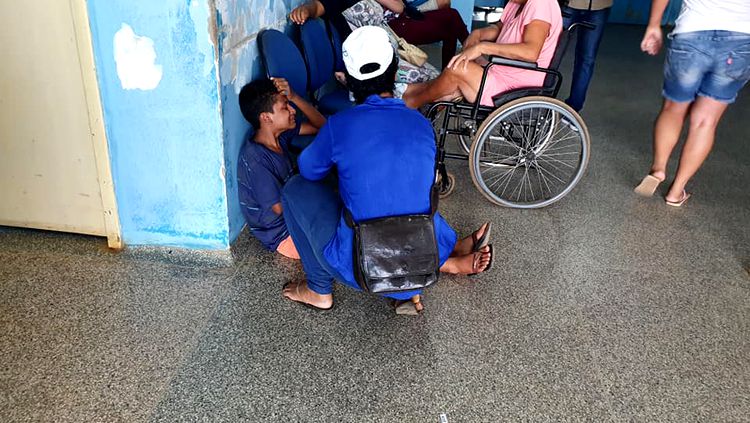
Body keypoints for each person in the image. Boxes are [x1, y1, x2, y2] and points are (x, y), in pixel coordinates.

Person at [279, 26, 493, 315]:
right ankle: (435, 263)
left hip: (361, 266)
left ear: (349, 80)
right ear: (395, 73)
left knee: (294, 188)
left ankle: (318, 290)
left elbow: (309, 171)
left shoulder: (339, 125)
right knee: (406, 186)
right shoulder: (420, 124)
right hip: (421, 260)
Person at [634, 0, 750, 206]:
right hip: (741, 39)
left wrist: (654, 24)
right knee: (705, 121)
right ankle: (676, 191)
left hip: (692, 33)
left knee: (673, 108)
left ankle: (658, 169)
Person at [402, 0, 563, 109]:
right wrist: (479, 34)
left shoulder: (541, 3)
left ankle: (411, 102)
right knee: (461, 61)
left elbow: (530, 52)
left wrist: (483, 47)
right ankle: (408, 92)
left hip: (516, 84)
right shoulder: (517, 2)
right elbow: (501, 28)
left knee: (458, 68)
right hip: (502, 70)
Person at [237, 77, 326, 259]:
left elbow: (322, 126)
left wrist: (294, 97)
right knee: (337, 243)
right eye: (285, 107)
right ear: (266, 117)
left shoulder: (279, 136)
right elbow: (278, 208)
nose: (292, 110)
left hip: (296, 215)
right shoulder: (256, 160)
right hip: (283, 235)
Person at [289, 0, 468, 70]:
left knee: (450, 17)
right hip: (378, 47)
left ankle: (459, 63)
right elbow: (319, 6)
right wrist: (306, 9)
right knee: (450, 18)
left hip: (390, 35)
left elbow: (400, 6)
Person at [561, 0, 612, 112]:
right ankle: (537, 99)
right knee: (551, 53)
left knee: (587, 59)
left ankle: (574, 109)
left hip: (599, 7)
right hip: (568, 4)